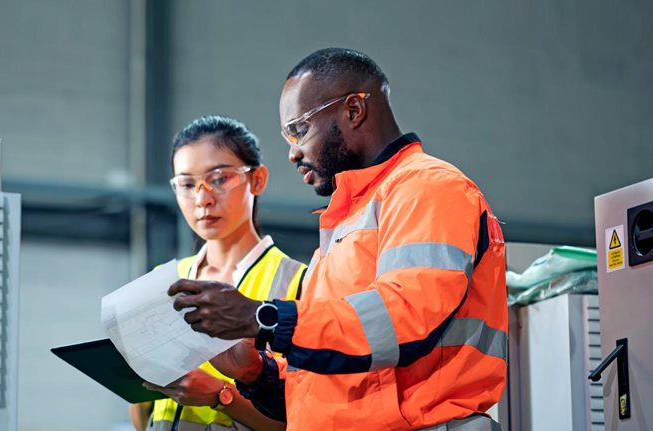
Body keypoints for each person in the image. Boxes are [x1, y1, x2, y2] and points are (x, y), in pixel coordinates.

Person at [168, 48, 508, 431]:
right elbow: (325, 380)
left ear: (352, 111)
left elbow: (404, 319)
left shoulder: (427, 188)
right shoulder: (346, 222)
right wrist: (254, 371)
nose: (293, 153)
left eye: (299, 130)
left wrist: (261, 318)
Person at [129, 116, 305, 431]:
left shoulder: (298, 282)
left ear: (258, 180)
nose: (202, 199)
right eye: (186, 184)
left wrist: (221, 397)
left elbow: (302, 419)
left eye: (220, 178)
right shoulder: (159, 280)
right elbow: (142, 414)